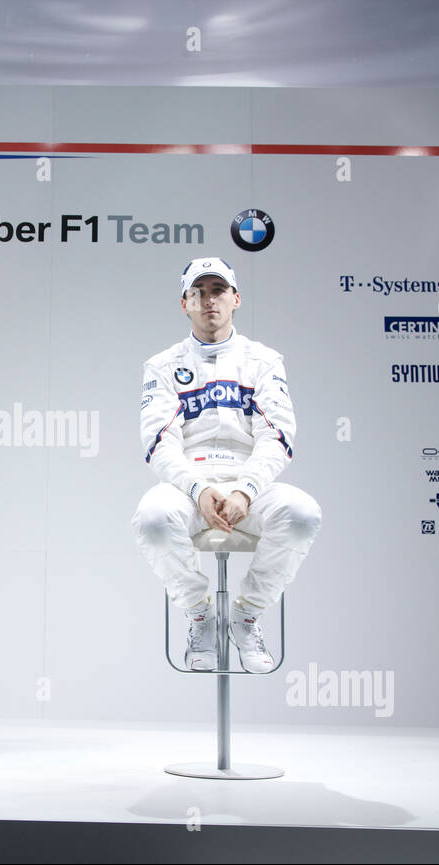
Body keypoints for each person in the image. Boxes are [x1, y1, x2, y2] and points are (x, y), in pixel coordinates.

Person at [133, 257, 321, 673]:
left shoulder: (264, 361)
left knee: (303, 514)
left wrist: (246, 489)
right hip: (190, 484)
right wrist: (199, 490)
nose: (208, 300)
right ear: (184, 304)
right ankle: (201, 615)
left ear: (236, 298)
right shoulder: (161, 366)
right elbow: (159, 442)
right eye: (197, 293)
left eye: (218, 291)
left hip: (249, 481)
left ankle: (247, 614)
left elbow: (277, 435)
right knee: (152, 518)